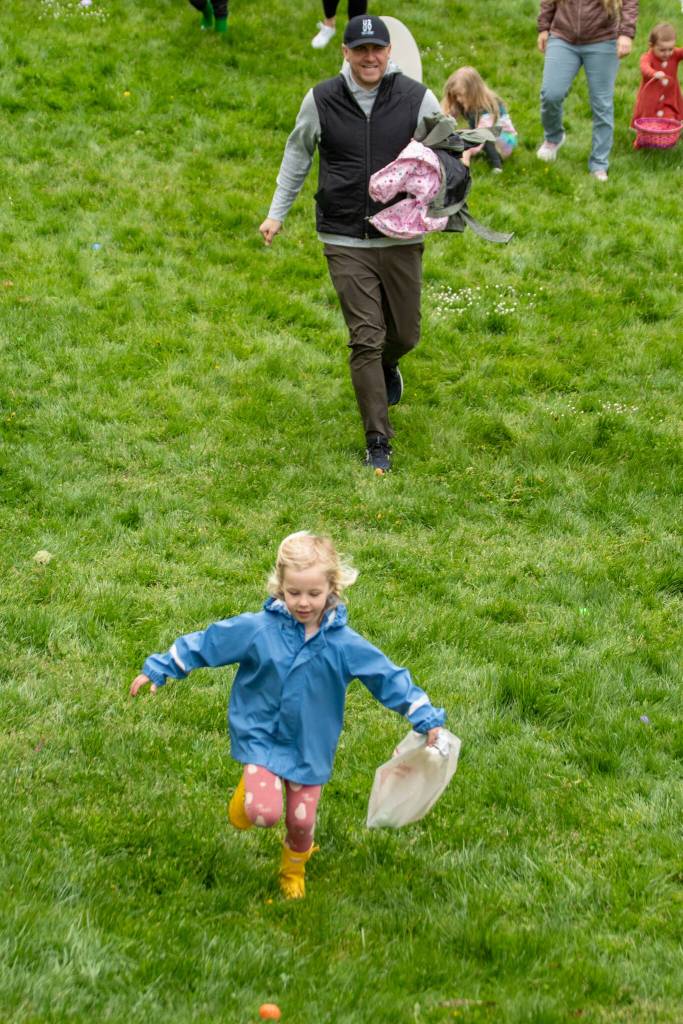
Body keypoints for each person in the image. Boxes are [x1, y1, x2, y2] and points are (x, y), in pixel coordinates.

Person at [130, 531, 446, 900]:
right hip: (260, 737)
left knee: (302, 821)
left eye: (314, 593)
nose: (304, 602)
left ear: (333, 588)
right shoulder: (258, 629)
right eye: (294, 592)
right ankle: (250, 793)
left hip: (309, 747)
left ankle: (293, 869)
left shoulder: (344, 645)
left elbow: (388, 677)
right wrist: (160, 668)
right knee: (263, 813)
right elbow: (209, 642)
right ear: (281, 586)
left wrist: (423, 714)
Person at [259, 15, 477, 474]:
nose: (370, 57)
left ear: (388, 51)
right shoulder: (320, 99)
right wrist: (277, 212)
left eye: (377, 49)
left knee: (405, 335)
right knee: (366, 338)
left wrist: (455, 160)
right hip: (344, 235)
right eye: (361, 51)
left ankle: (388, 365)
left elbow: (447, 148)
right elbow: (298, 153)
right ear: (345, 53)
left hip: (401, 233)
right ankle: (378, 441)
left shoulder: (416, 97)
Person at [536, 0, 639, 180]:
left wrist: (626, 33)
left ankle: (599, 163)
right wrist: (544, 27)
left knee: (602, 104)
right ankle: (553, 138)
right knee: (551, 94)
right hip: (562, 36)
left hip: (603, 40)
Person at [441, 66, 518, 172]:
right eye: (456, 95)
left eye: (461, 95)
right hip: (490, 133)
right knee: (465, 134)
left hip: (505, 141)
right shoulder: (466, 101)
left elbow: (481, 135)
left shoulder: (487, 108)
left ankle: (497, 166)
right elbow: (448, 115)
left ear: (473, 92)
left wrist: (467, 153)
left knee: (486, 135)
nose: (458, 99)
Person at [631, 23, 683, 129]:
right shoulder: (647, 57)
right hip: (650, 98)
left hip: (670, 97)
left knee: (670, 117)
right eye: (662, 50)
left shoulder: (674, 55)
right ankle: (650, 136)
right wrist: (654, 73)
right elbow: (644, 67)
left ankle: (668, 135)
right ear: (651, 45)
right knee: (650, 121)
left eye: (670, 49)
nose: (667, 53)